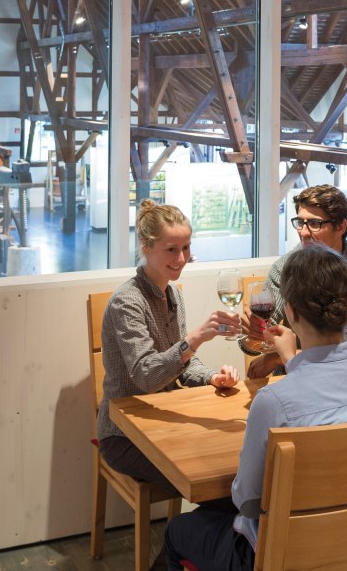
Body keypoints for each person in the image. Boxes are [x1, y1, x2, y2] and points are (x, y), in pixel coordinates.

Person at [162, 244, 347, 571]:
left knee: (177, 530)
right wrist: (292, 358)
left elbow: (246, 500)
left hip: (282, 555)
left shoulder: (274, 402)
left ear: (290, 311)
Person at [96, 200, 243, 499]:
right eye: (172, 249)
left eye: (186, 247)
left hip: (165, 420)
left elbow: (185, 366)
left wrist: (213, 377)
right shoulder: (128, 302)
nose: (181, 258)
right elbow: (147, 376)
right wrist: (195, 338)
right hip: (123, 434)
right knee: (220, 487)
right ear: (146, 247)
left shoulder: (172, 293)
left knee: (232, 472)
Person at [245, 185, 347, 378]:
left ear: (341, 226)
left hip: (344, 376)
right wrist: (255, 334)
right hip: (291, 376)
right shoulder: (286, 266)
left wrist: (281, 357)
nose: (303, 232)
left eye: (315, 224)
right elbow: (264, 333)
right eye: (300, 223)